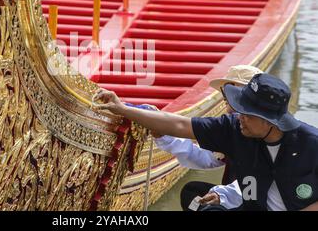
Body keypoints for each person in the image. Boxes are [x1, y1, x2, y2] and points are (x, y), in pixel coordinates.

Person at [93, 73, 318, 211]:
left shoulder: (311, 144)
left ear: (270, 121)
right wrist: (123, 108)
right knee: (196, 199)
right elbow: (180, 125)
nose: (239, 117)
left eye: (247, 114)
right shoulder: (234, 129)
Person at [153, 65, 262, 210]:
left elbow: (260, 179)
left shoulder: (261, 129)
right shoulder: (234, 126)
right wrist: (164, 137)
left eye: (229, 91)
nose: (225, 97)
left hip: (254, 198)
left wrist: (222, 195)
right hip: (237, 194)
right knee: (192, 192)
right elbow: (207, 158)